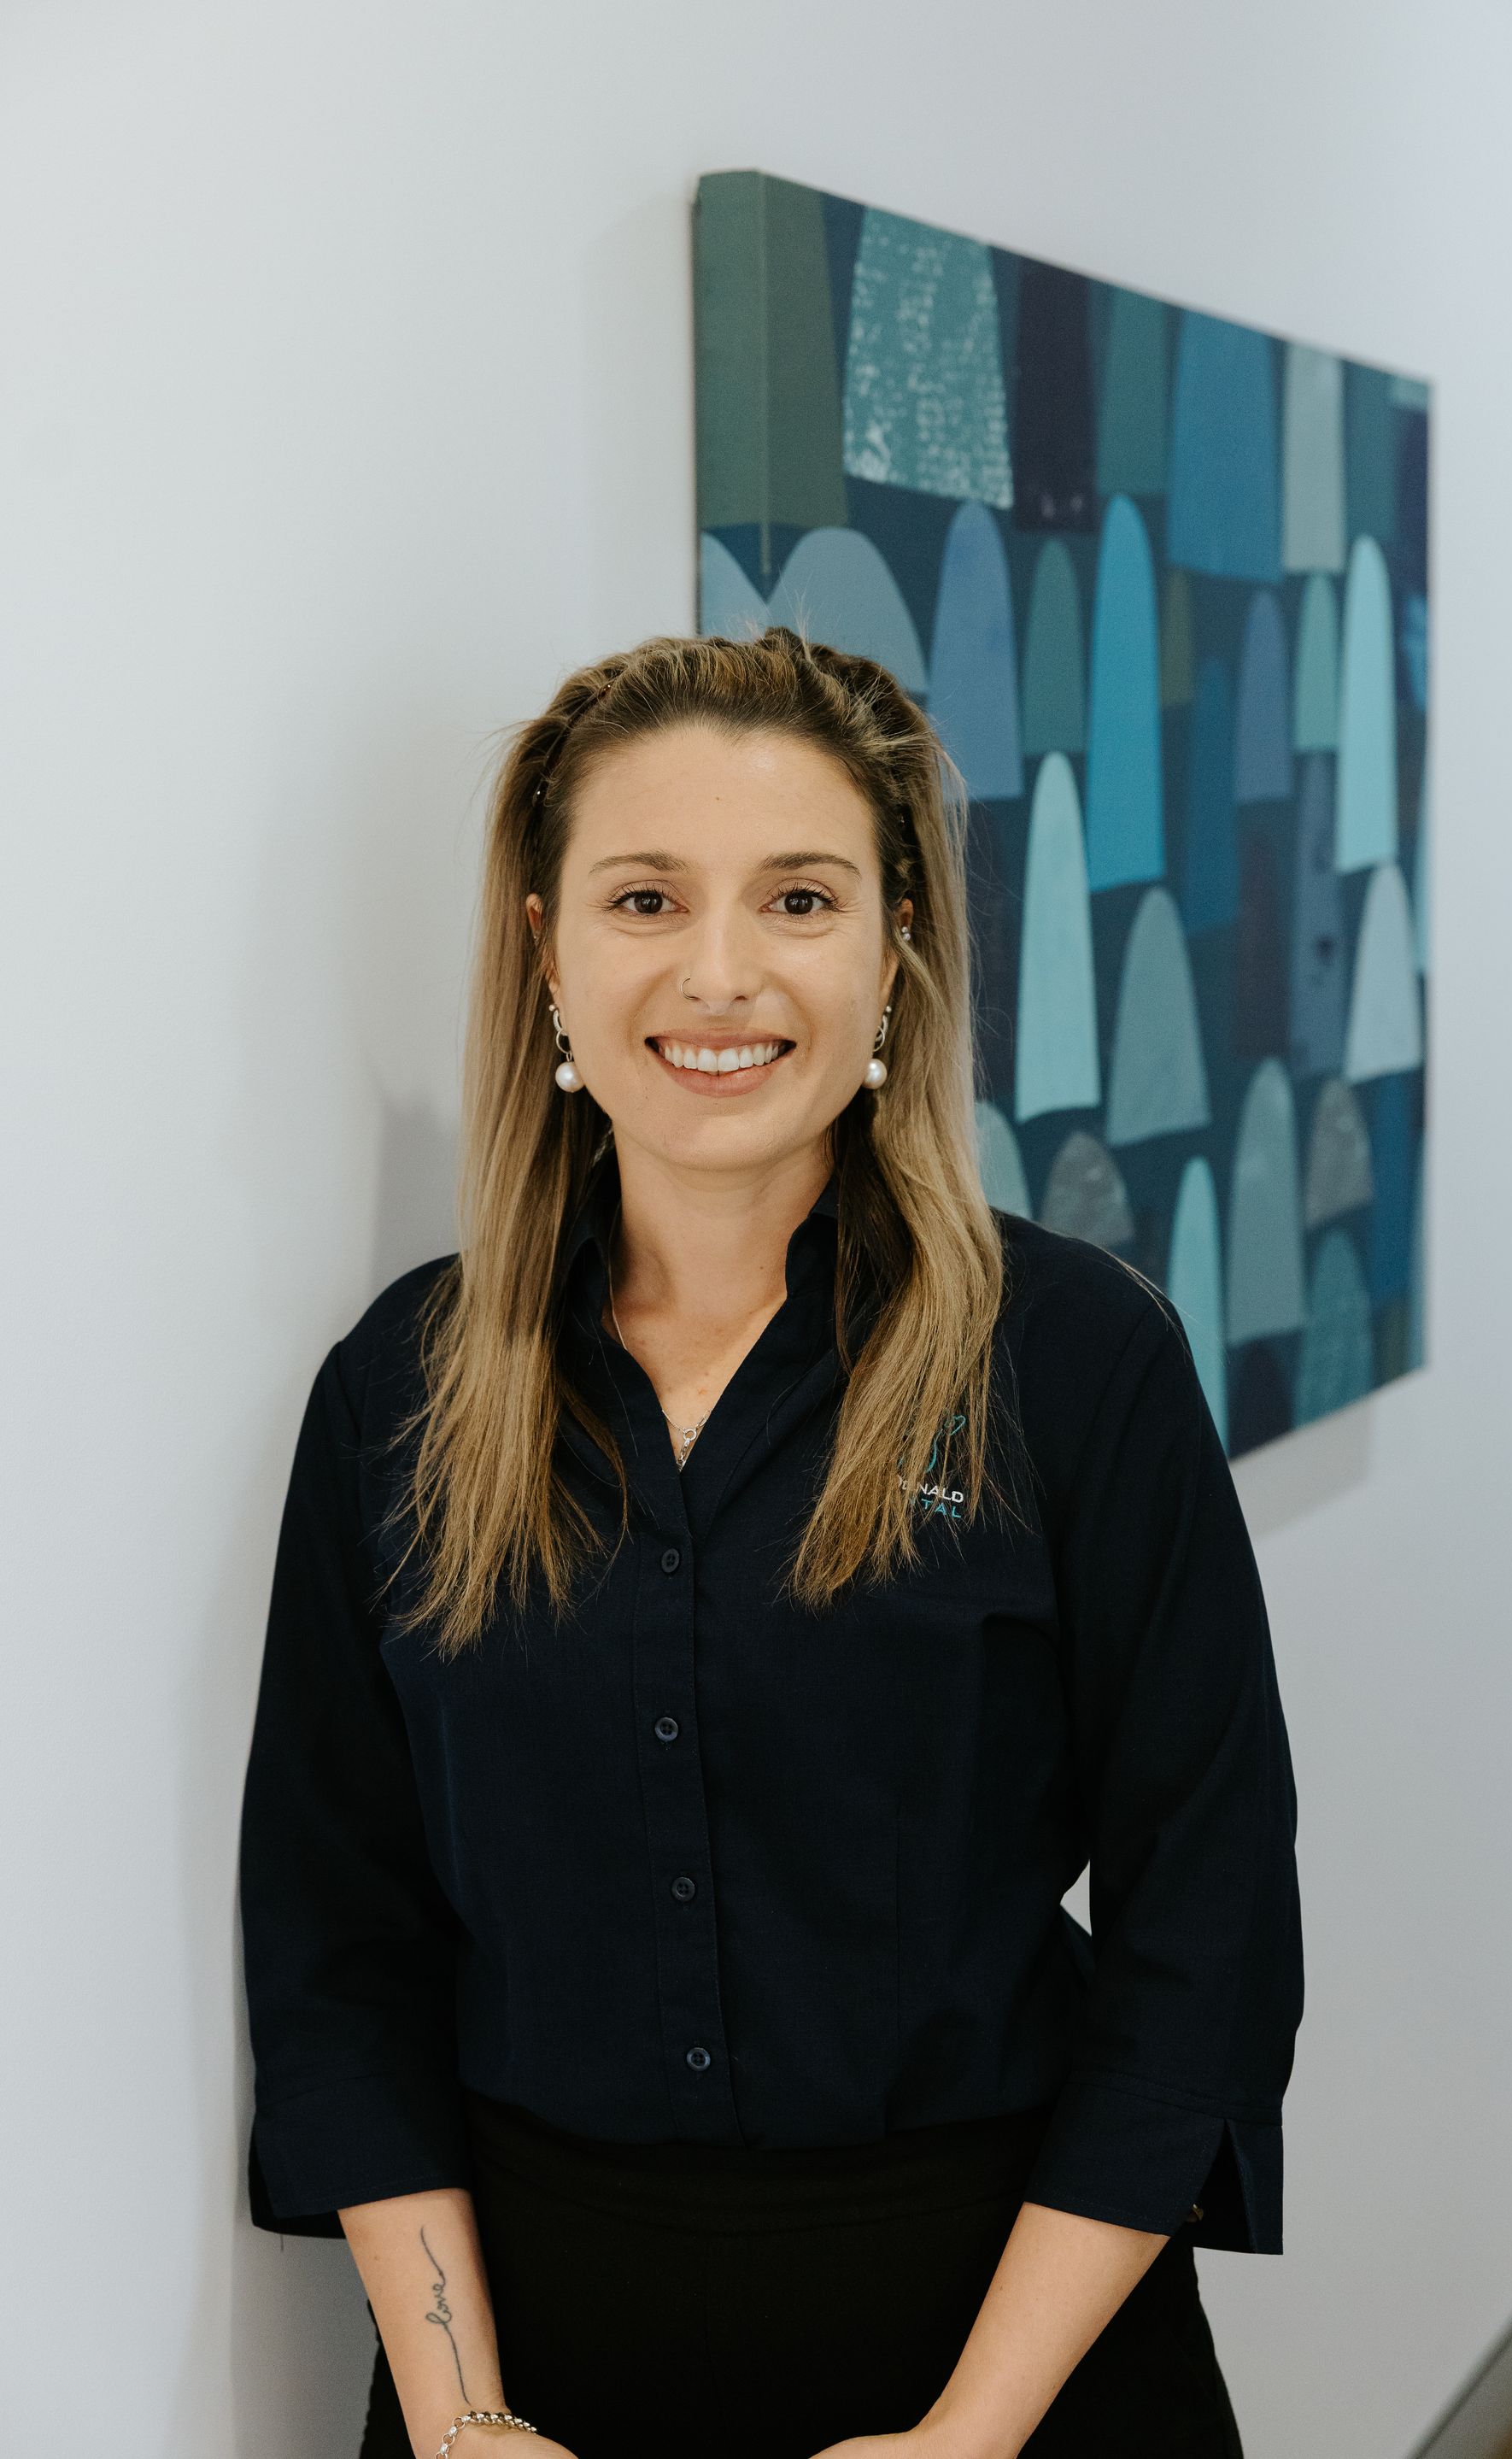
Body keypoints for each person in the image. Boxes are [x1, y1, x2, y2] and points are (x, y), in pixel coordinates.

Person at [238, 626, 1304, 2459]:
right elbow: (339, 1950)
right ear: (544, 949)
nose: (720, 971)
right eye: (644, 895)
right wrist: (459, 2409)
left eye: (799, 897)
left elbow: (1201, 1934)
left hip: (1012, 2358)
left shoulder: (1072, 1361)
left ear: (893, 946)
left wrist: (970, 2434)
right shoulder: (398, 1388)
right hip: (521, 2372)